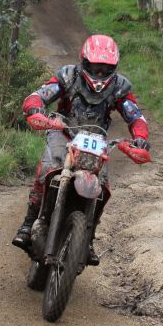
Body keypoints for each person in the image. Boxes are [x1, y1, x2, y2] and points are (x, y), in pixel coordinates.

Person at [12, 34, 150, 265]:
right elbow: (40, 95)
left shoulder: (120, 87)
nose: (98, 73)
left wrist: (140, 139)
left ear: (113, 66)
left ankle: (87, 239)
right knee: (48, 168)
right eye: (95, 66)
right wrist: (35, 109)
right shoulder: (67, 76)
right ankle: (28, 223)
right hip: (63, 129)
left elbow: (136, 116)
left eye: (104, 68)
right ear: (84, 61)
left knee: (102, 187)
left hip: (97, 139)